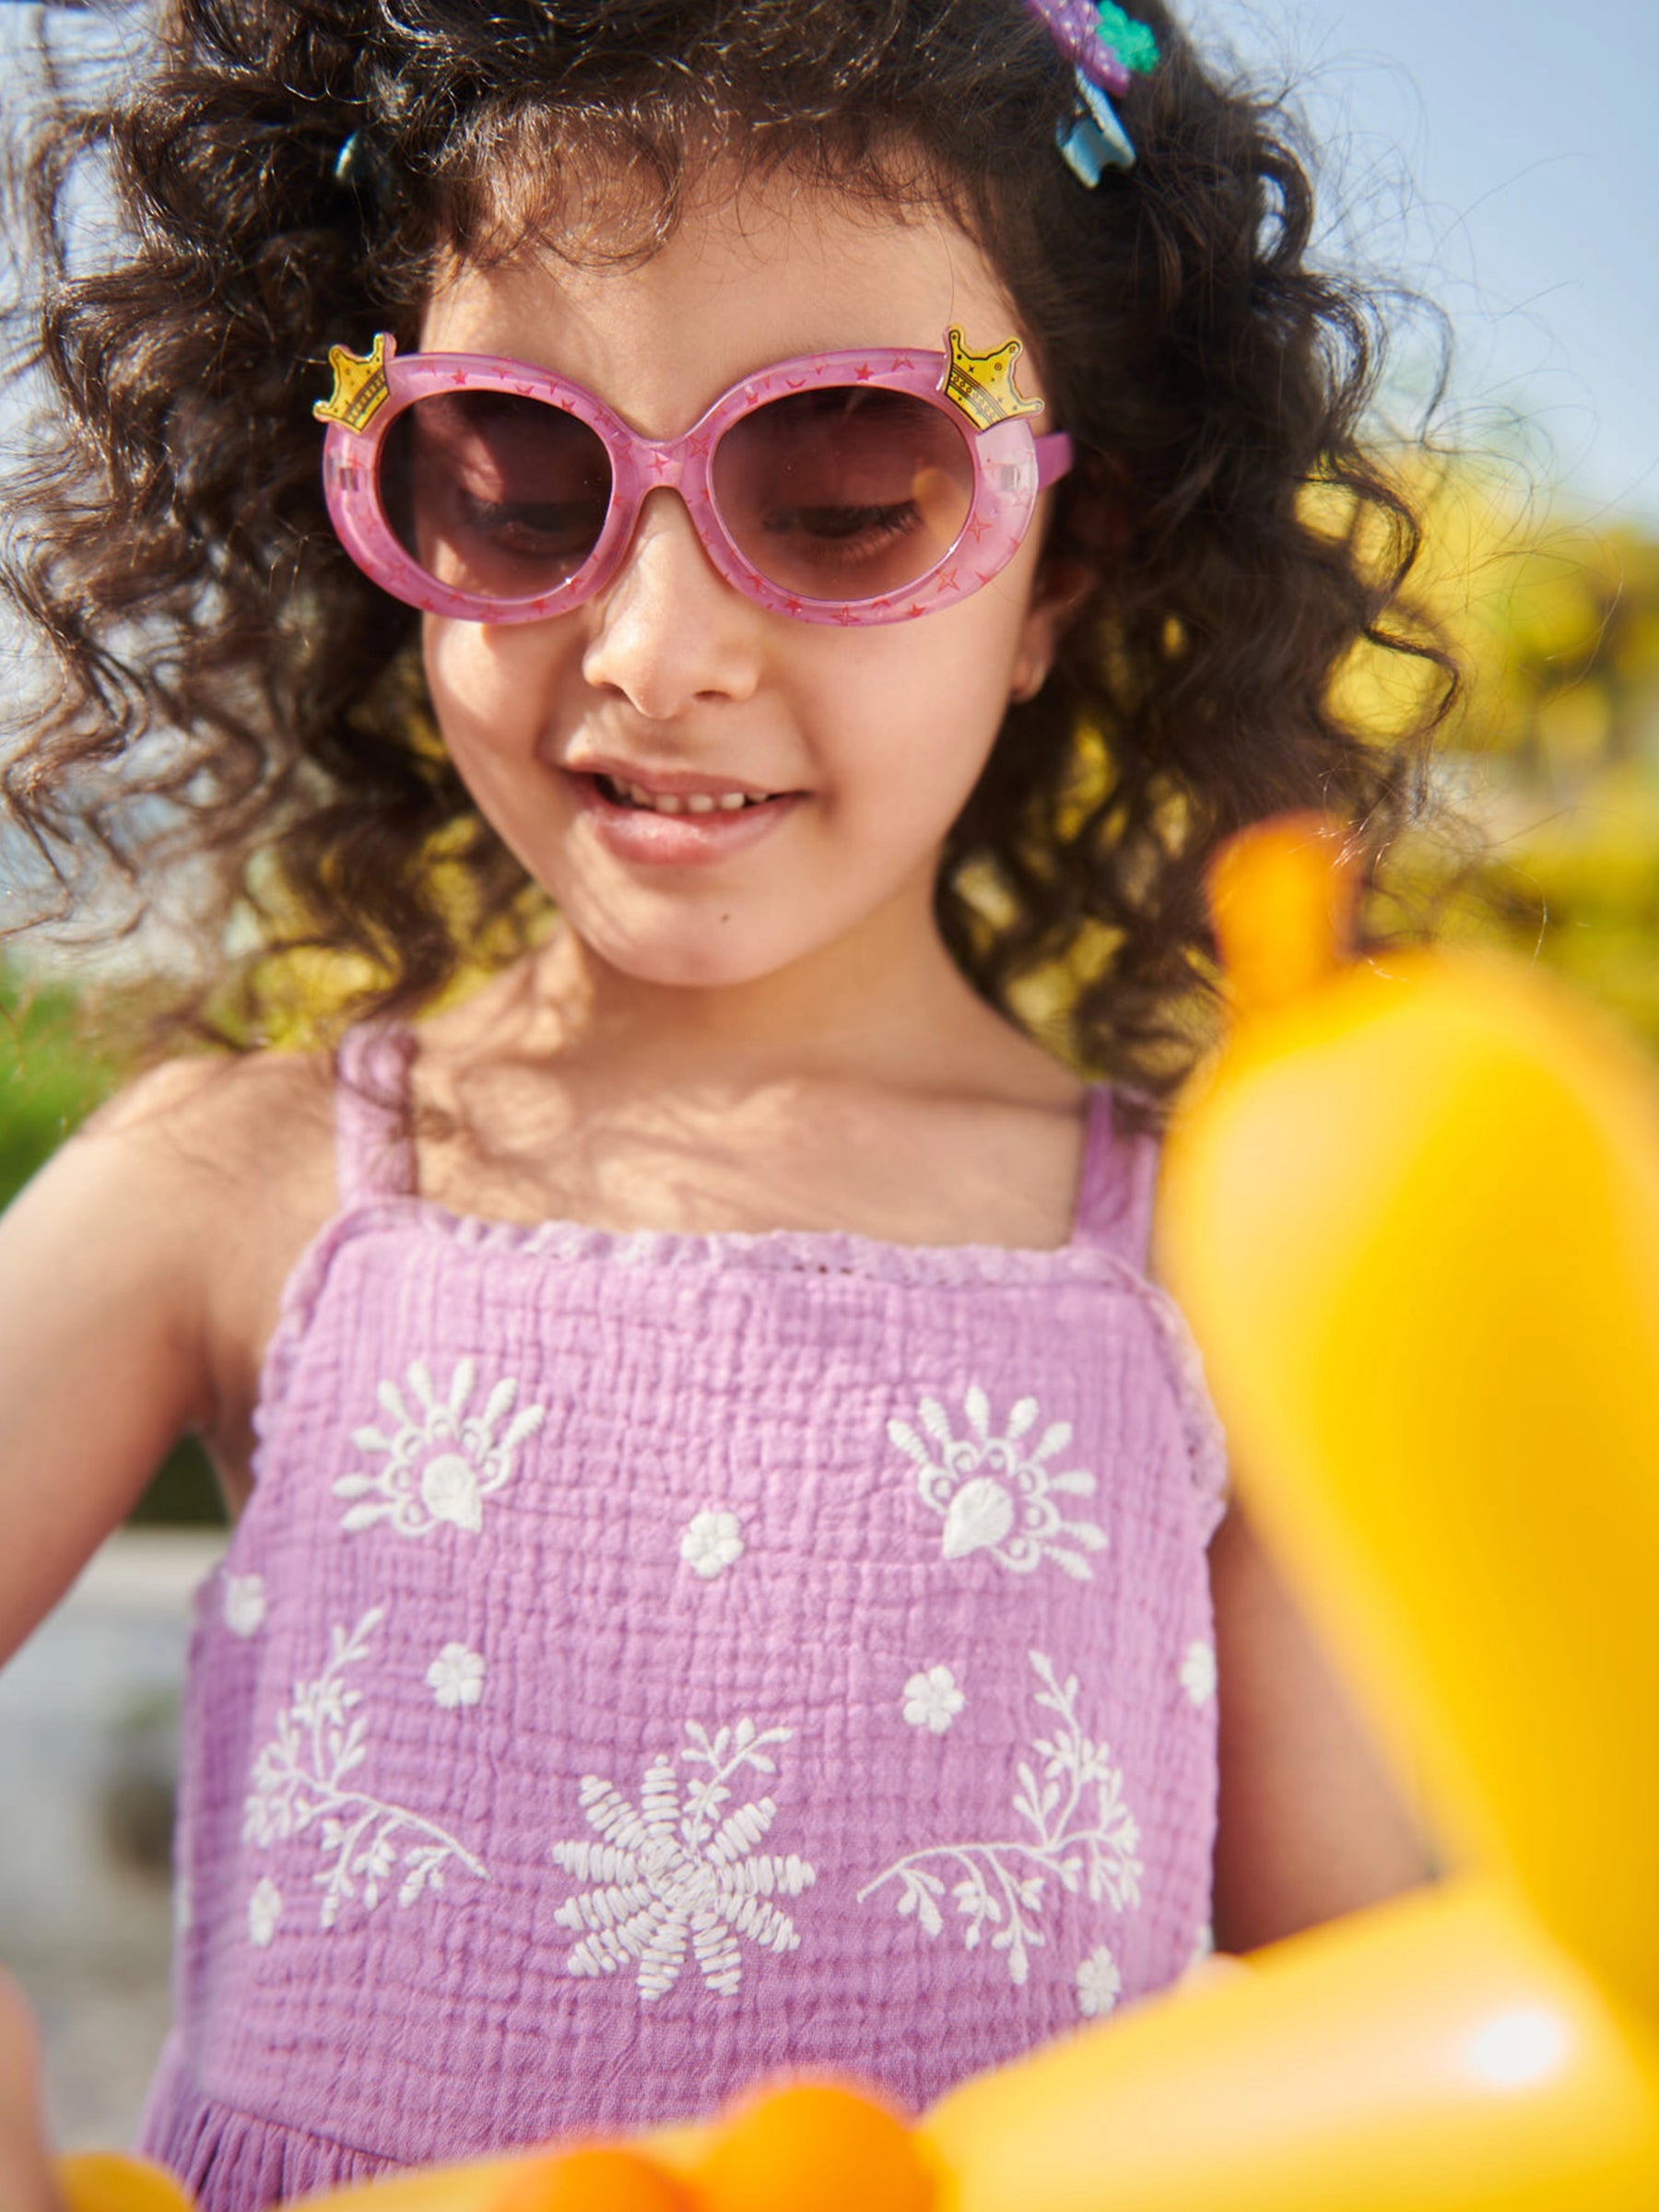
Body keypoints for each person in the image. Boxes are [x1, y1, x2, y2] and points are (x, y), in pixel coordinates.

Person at [0, 0, 1441, 2204]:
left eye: (849, 494)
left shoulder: (1212, 1251)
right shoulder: (254, 1186)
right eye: (513, 479)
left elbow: (1396, 2000)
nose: (658, 645)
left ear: (1060, 565)